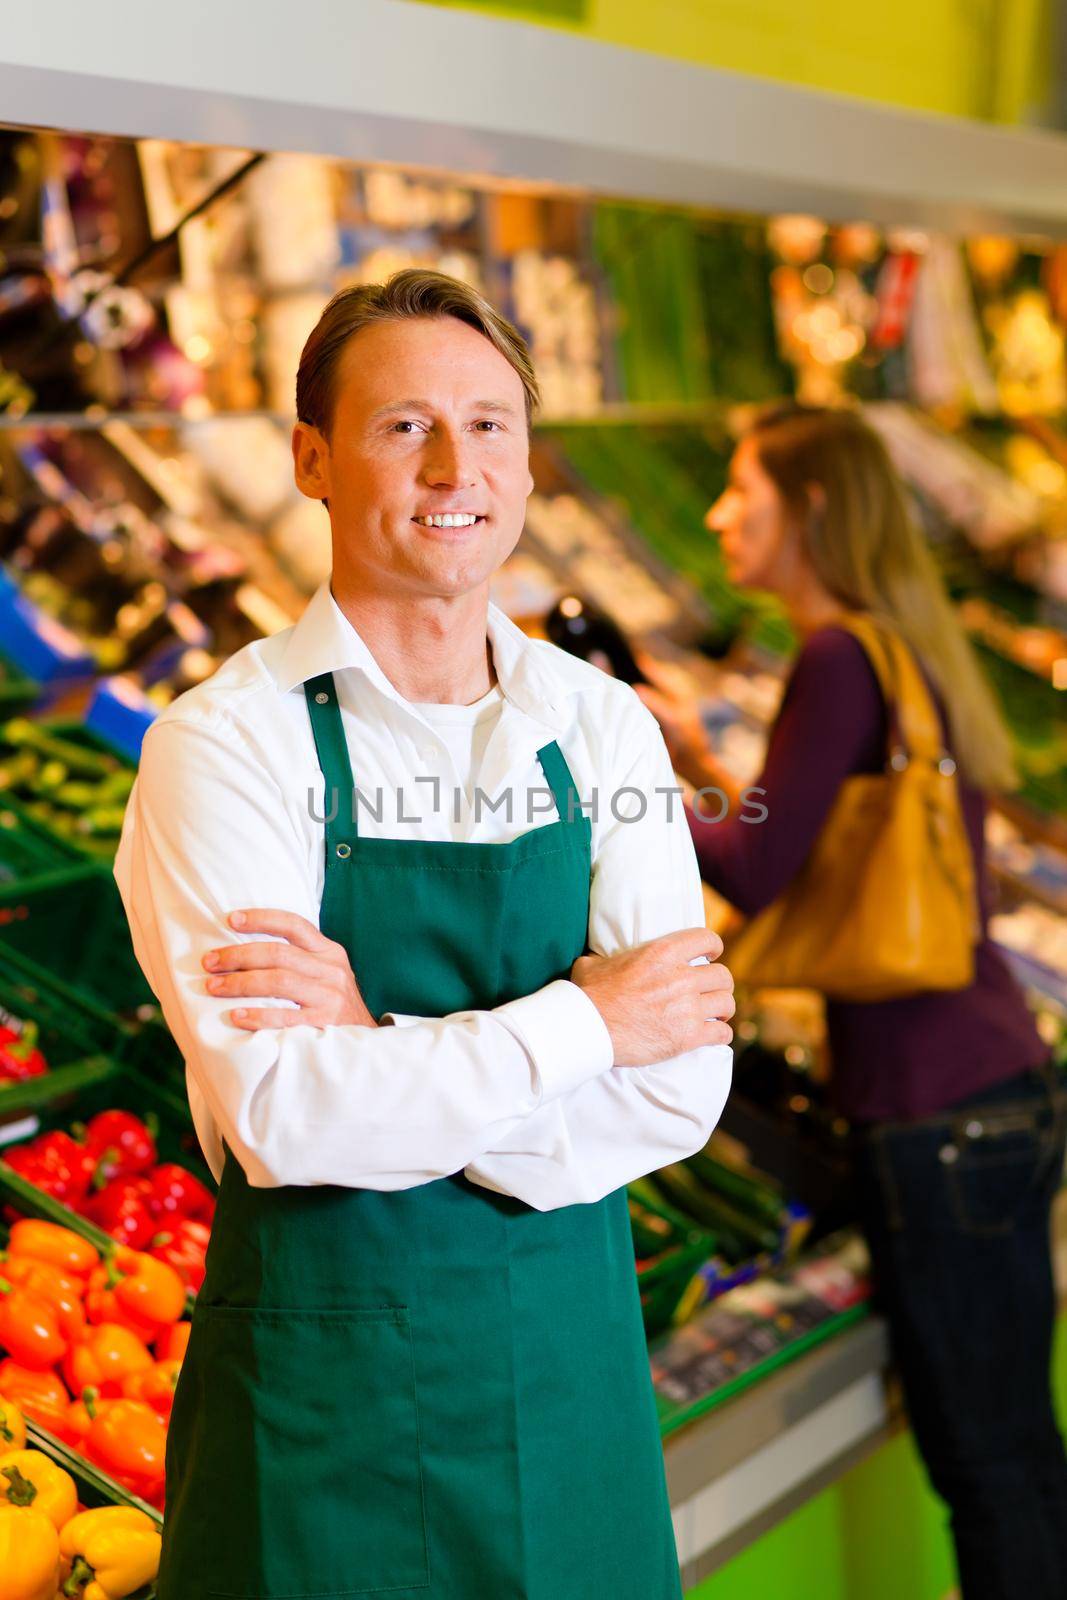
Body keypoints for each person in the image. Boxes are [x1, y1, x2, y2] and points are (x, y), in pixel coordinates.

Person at [114, 269, 735, 1600]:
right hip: (320, 1415)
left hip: (564, 1385)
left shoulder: (600, 728)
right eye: (404, 426)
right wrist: (584, 1024)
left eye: (491, 424)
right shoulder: (223, 747)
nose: (456, 464)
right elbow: (285, 1113)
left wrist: (383, 1049)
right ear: (312, 459)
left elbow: (679, 1087)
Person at [635, 402, 1067, 1600]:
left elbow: (762, 861)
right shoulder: (896, 644)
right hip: (990, 1089)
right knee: (1020, 1457)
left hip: (934, 1112)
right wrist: (700, 761)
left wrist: (615, 779)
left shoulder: (834, 656)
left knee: (987, 1468)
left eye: (743, 491)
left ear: (810, 509)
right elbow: (812, 844)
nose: (721, 515)